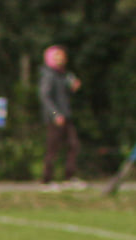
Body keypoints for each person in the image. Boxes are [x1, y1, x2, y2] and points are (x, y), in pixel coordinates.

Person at [40, 46, 85, 190]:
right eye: (57, 56)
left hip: (66, 116)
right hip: (55, 118)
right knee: (53, 149)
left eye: (62, 56)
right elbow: (44, 97)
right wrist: (55, 114)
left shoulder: (64, 75)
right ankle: (46, 180)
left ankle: (69, 177)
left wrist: (73, 87)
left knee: (73, 145)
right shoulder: (48, 75)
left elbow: (65, 94)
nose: (61, 59)